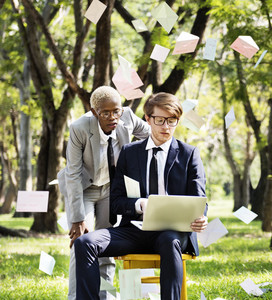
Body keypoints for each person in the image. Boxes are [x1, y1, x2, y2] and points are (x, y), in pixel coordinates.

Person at [74, 92, 208, 300]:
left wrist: (201, 218)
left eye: (172, 121)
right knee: (85, 243)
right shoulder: (129, 152)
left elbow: (199, 199)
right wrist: (139, 204)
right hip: (134, 231)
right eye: (160, 120)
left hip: (171, 234)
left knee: (169, 241)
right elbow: (116, 202)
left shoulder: (189, 154)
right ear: (148, 118)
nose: (166, 127)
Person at [58, 86, 150, 300]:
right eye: (105, 112)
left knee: (106, 239)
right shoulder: (79, 128)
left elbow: (153, 135)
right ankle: (76, 296)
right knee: (82, 240)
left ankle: (105, 296)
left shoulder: (127, 117)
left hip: (112, 189)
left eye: (116, 111)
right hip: (85, 188)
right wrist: (77, 218)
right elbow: (72, 174)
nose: (112, 117)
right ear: (94, 111)